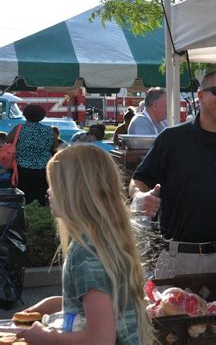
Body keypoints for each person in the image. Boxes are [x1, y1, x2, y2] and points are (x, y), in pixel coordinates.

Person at [18, 145, 154, 344]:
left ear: (74, 192)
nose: (48, 191)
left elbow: (101, 339)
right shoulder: (106, 240)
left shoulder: (85, 253)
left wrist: (44, 337)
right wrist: (54, 305)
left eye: (53, 184)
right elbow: (106, 304)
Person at [129, 69, 216, 278]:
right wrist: (141, 197)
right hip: (177, 258)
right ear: (201, 95)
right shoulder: (172, 139)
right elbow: (139, 180)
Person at [6, 104, 54, 205]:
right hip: (42, 169)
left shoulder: (19, 128)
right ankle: (38, 216)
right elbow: (54, 147)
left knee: (22, 197)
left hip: (22, 169)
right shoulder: (49, 130)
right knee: (41, 197)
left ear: (25, 115)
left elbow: (7, 140)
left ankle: (24, 217)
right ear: (42, 116)